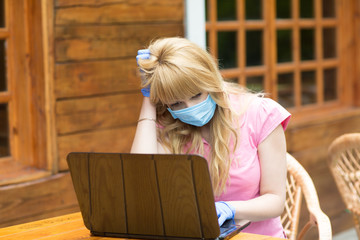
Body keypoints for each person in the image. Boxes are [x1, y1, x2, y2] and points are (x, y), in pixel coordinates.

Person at [131, 37, 291, 238]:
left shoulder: (260, 114)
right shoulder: (169, 125)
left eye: (197, 95)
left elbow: (275, 201)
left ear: (211, 80)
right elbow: (140, 176)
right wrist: (149, 98)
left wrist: (230, 209)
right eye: (177, 103)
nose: (190, 108)